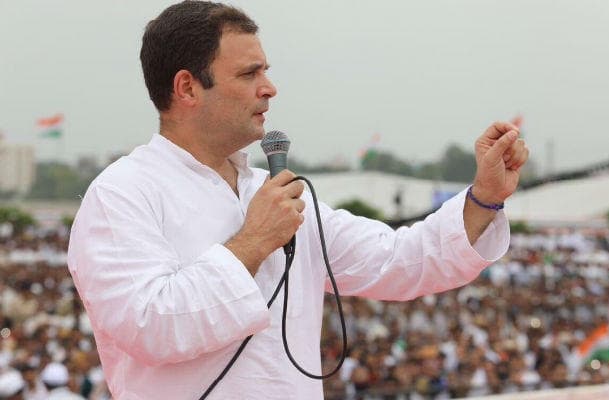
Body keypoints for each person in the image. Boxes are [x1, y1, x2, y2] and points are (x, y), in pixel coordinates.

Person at [67, 1, 529, 399]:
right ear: (187, 87)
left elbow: (400, 259)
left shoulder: (272, 192)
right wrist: (253, 242)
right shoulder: (122, 194)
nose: (269, 88)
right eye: (249, 74)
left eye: (266, 71)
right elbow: (149, 328)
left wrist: (485, 198)